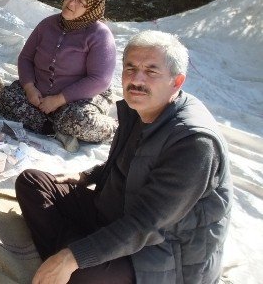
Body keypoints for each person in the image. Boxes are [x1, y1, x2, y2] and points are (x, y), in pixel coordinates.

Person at [15, 30, 233, 284]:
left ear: (177, 81)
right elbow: (129, 160)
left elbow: (147, 224)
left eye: (151, 71)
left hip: (162, 249)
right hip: (115, 211)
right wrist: (85, 175)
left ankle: (73, 259)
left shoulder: (193, 142)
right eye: (130, 68)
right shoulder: (138, 107)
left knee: (76, 272)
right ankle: (78, 254)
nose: (136, 79)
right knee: (32, 183)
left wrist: (72, 257)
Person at [0, 0, 117, 152]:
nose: (71, 2)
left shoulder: (99, 35)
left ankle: (112, 127)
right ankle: (55, 129)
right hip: (40, 93)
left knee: (79, 120)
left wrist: (59, 100)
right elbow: (26, 58)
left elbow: (100, 80)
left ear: (91, 9)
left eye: (81, 2)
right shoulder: (47, 24)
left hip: (79, 98)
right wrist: (30, 89)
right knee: (6, 98)